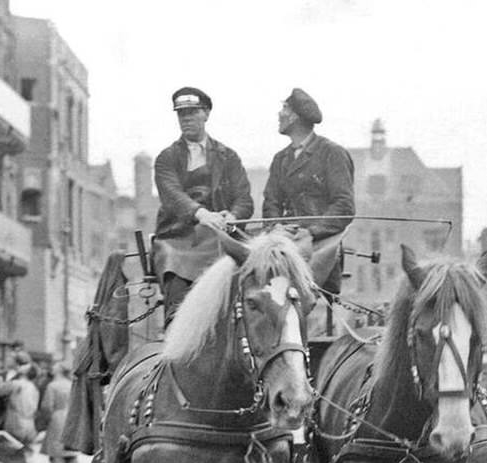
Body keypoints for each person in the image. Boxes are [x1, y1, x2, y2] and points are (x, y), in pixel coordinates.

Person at [152, 86, 254, 325]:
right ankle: (176, 331)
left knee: (249, 270)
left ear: (206, 114)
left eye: (192, 113)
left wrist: (233, 215)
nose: (186, 119)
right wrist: (200, 213)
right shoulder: (167, 158)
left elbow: (244, 198)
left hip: (221, 235)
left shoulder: (228, 157)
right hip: (178, 237)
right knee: (172, 265)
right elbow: (173, 196)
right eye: (181, 114)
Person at [261, 88, 356, 293]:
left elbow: (344, 206)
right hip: (283, 243)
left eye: (284, 108)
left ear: (295, 116)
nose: (280, 114)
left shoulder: (332, 153)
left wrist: (311, 232)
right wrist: (274, 227)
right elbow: (271, 202)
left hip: (320, 247)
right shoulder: (281, 159)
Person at [40, 363, 78, 463]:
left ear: (59, 371)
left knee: (57, 448)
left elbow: (47, 406)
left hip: (57, 417)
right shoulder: (72, 384)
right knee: (70, 448)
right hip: (71, 416)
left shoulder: (52, 386)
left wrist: (46, 419)